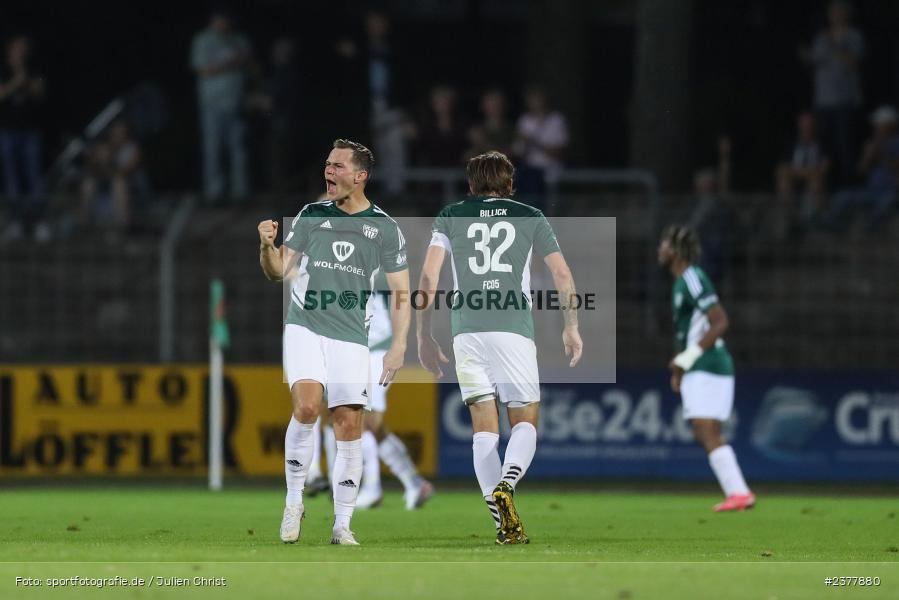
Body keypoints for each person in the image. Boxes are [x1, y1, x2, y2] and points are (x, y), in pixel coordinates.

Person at [417, 150, 582, 544]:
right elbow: (562, 273)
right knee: (524, 422)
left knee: (483, 430)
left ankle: (502, 525)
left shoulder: (451, 215)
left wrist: (423, 335)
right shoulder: (530, 216)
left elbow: (428, 276)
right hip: (512, 329)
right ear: (510, 185)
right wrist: (571, 326)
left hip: (466, 330)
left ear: (470, 186)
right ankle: (508, 484)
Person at [258, 139, 410, 545]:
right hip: (305, 326)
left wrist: (398, 345)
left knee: (348, 425)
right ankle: (294, 502)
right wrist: (266, 246)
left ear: (360, 176)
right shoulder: (311, 215)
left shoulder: (385, 228)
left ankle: (342, 524)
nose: (329, 171)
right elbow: (277, 272)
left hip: (352, 337)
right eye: (327, 164)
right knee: (307, 407)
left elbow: (401, 292)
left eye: (338, 166)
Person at [658, 225, 755, 513]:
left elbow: (720, 321)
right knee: (704, 430)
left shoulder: (691, 277)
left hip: (710, 363)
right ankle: (738, 493)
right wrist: (680, 369)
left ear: (675, 251)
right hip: (699, 365)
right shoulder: (679, 284)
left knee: (705, 428)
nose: (659, 251)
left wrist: (686, 359)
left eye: (663, 245)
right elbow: (687, 332)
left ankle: (739, 492)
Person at [356, 273, 434, 510]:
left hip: (376, 352)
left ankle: (372, 489)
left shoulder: (370, 264)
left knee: (364, 421)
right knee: (374, 427)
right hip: (365, 351)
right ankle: (414, 482)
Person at [801, 1, 865, 186]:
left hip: (845, 100)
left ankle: (849, 188)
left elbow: (855, 62)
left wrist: (835, 46)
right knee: (823, 147)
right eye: (832, 12)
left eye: (838, 11)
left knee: (845, 146)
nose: (834, 15)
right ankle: (824, 188)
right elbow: (815, 61)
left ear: (846, 14)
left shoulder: (854, 36)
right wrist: (806, 56)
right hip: (823, 101)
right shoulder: (821, 37)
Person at [190, 9, 251, 202]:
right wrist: (228, 63)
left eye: (227, 19)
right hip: (212, 104)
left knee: (239, 149)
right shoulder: (203, 40)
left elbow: (248, 61)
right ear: (213, 20)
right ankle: (214, 193)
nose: (225, 23)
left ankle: (240, 192)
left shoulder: (239, 39)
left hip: (235, 103)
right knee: (213, 148)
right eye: (221, 19)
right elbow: (202, 69)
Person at [0, 35, 46, 240]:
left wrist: (24, 79)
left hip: (30, 133)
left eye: (24, 48)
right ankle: (15, 223)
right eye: (17, 47)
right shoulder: (3, 70)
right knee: (11, 180)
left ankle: (38, 223)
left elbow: (40, 92)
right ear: (10, 49)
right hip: (7, 132)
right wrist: (14, 82)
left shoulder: (34, 69)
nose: (21, 51)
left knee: (34, 178)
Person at [825, 105, 899, 231]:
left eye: (879, 124)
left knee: (887, 201)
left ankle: (872, 228)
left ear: (890, 125)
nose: (876, 127)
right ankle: (831, 224)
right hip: (871, 190)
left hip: (891, 191)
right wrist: (867, 156)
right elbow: (861, 171)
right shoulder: (873, 143)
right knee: (843, 196)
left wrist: (881, 154)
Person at [775, 112, 830, 228]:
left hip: (813, 181)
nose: (806, 129)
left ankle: (807, 219)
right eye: (804, 126)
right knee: (783, 176)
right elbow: (783, 168)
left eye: (809, 126)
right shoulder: (791, 145)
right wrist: (806, 172)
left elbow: (824, 169)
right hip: (795, 179)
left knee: (816, 180)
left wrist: (800, 172)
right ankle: (788, 215)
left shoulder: (822, 146)